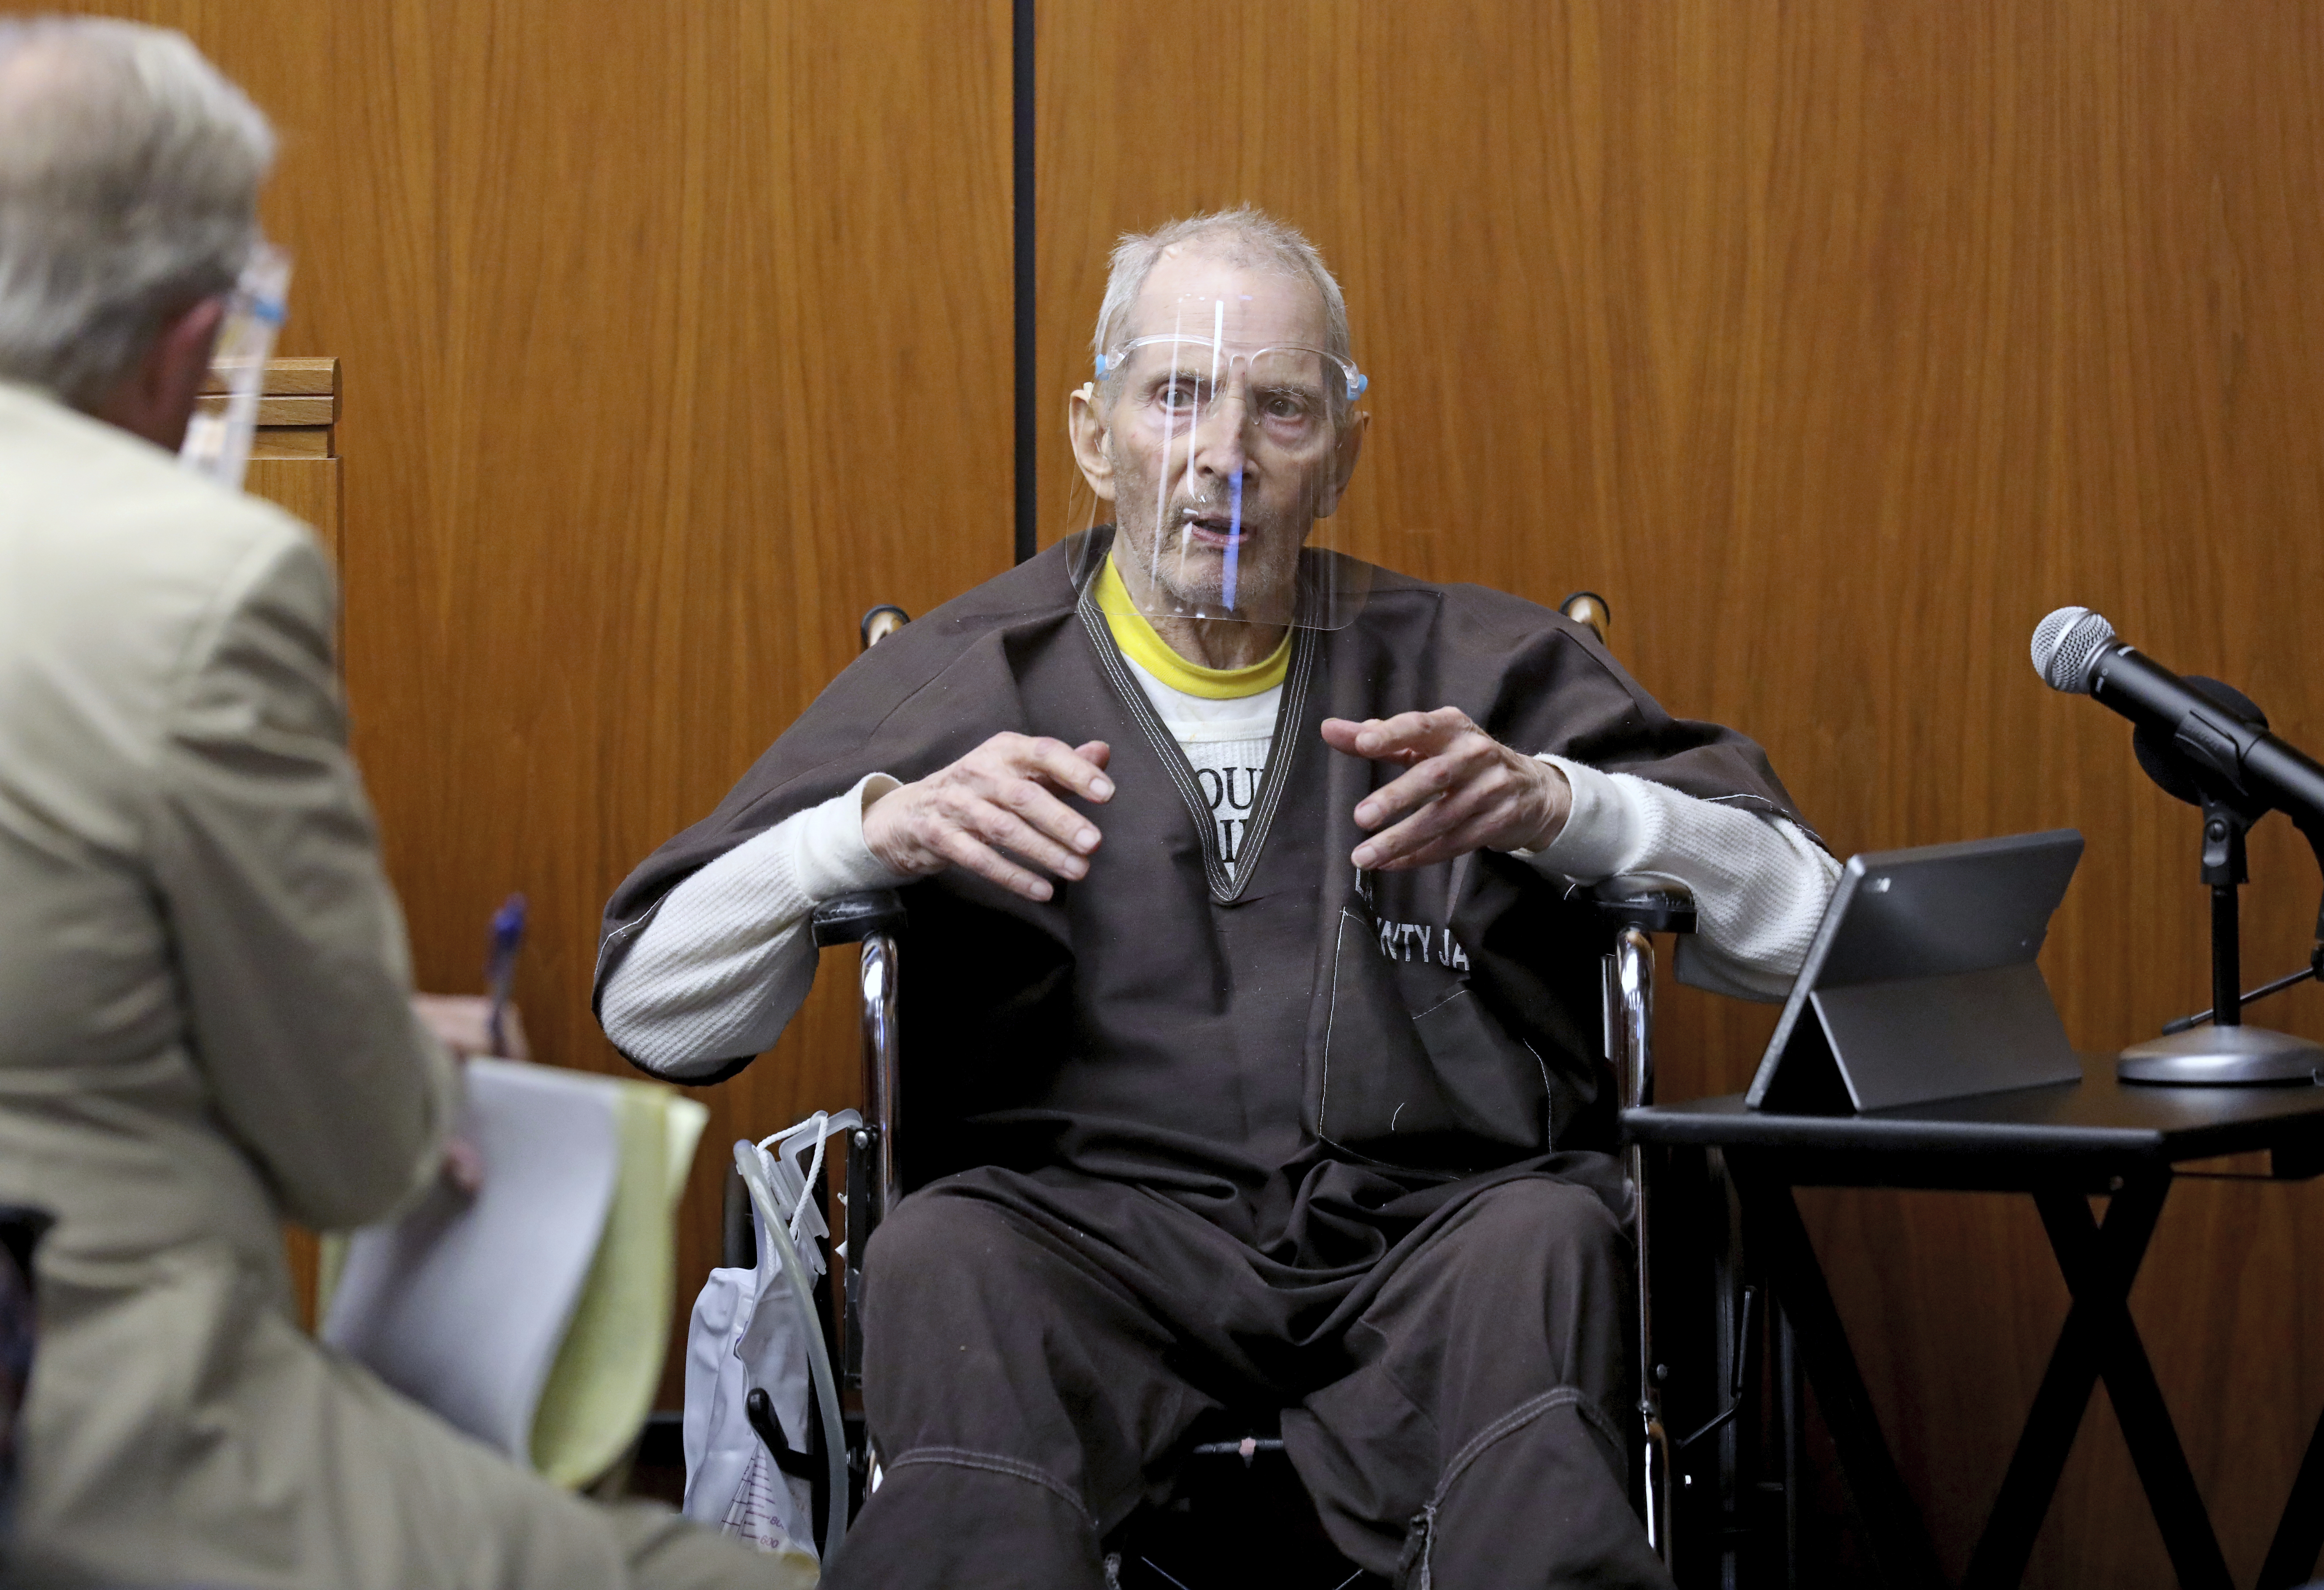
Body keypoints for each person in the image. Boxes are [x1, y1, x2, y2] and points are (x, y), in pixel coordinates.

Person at [598, 206, 1842, 1588]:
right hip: (1081, 1243)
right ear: (1094, 430)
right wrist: (866, 835)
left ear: (1345, 454)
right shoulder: (964, 683)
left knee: (1556, 1233)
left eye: (1283, 409)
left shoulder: (1478, 665)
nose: (1224, 458)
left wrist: (1571, 808)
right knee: (941, 1249)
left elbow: (1811, 935)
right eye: (1177, 394)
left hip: (1428, 1236)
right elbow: (658, 1011)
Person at [0, 20, 794, 1590]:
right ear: (191, 341)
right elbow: (357, 1155)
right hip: (78, 1415)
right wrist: (392, 1062)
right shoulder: (200, 579)